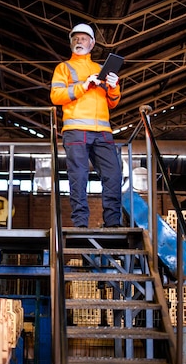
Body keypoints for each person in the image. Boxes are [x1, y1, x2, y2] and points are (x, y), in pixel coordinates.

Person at [50, 23, 123, 228]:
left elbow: (112, 102)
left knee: (113, 175)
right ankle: (80, 223)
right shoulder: (63, 68)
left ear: (92, 43)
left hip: (103, 132)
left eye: (83, 39)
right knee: (79, 176)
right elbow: (55, 96)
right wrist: (83, 86)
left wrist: (114, 86)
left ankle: (112, 222)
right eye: (75, 38)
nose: (78, 41)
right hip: (76, 131)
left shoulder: (101, 70)